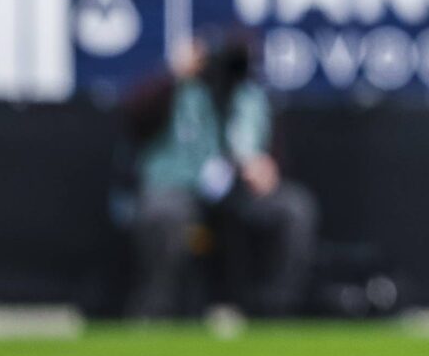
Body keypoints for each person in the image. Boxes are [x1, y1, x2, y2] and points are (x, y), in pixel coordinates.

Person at [126, 36, 318, 319]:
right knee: (163, 215)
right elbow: (133, 117)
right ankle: (157, 310)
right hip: (178, 186)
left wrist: (266, 168)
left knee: (295, 208)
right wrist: (173, 74)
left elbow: (273, 156)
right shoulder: (176, 90)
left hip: (240, 189)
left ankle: (276, 310)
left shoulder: (252, 98)